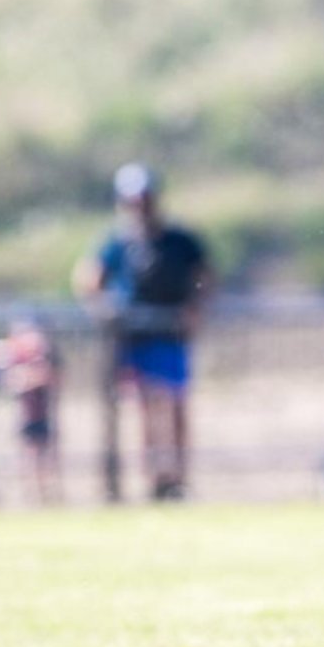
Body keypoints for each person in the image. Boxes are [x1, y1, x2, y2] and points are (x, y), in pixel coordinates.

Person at [73, 164, 211, 502]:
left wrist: (194, 308)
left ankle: (178, 477)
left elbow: (205, 277)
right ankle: (154, 478)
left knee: (175, 404)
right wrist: (105, 310)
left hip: (170, 334)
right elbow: (88, 279)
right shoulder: (117, 242)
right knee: (145, 407)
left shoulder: (179, 240)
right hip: (134, 338)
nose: (140, 207)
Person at [1, 320, 63, 505]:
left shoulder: (45, 360)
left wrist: (32, 376)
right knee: (29, 454)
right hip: (26, 416)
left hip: (44, 415)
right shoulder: (17, 361)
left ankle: (49, 492)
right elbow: (12, 381)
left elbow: (50, 378)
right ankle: (31, 494)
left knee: (48, 454)